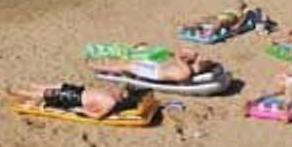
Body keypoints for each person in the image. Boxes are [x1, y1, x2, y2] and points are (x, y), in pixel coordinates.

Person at [7, 82, 130, 119]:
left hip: (74, 99)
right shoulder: (113, 92)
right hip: (78, 91)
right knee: (57, 85)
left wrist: (81, 110)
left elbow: (98, 115)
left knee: (47, 94)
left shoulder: (111, 102)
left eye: (123, 92)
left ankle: (20, 94)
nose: (120, 90)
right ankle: (33, 88)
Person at [88, 48, 216, 83]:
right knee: (132, 60)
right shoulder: (190, 68)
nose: (199, 60)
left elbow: (177, 57)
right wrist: (193, 56)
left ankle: (98, 67)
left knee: (127, 66)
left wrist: (184, 55)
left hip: (154, 74)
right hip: (156, 67)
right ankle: (104, 61)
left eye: (201, 62)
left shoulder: (186, 72)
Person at [182, 0, 252, 33]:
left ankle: (208, 32)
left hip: (230, 19)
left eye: (240, 4)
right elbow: (220, 14)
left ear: (243, 7)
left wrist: (237, 26)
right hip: (219, 17)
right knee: (203, 19)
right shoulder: (230, 9)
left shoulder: (243, 13)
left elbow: (242, 21)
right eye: (238, 3)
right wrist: (212, 17)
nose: (237, 4)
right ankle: (190, 27)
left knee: (219, 22)